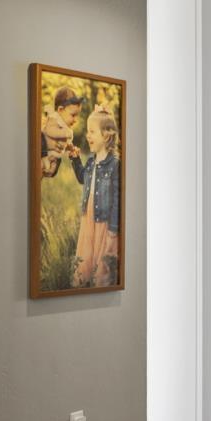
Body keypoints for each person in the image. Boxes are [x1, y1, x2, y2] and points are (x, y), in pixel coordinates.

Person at [71, 106, 122, 288]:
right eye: (87, 131)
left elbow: (118, 199)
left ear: (106, 136)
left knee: (102, 260)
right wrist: (75, 159)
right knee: (86, 254)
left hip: (104, 220)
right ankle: (82, 284)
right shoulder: (92, 160)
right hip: (89, 214)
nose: (88, 136)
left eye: (92, 132)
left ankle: (100, 288)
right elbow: (82, 178)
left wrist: (113, 229)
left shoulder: (115, 164)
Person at [39, 88, 83, 177]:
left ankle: (50, 170)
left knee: (54, 162)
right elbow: (49, 131)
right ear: (60, 110)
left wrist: (70, 147)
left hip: (50, 157)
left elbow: (61, 146)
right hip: (42, 152)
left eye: (77, 116)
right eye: (73, 115)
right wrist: (65, 133)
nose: (75, 120)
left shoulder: (64, 126)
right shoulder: (53, 119)